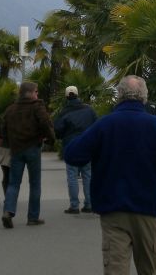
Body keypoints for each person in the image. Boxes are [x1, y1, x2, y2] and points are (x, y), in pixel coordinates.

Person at [65, 75, 156, 275]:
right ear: (144, 96)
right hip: (147, 209)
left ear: (119, 95)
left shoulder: (105, 124)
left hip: (113, 210)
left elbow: (73, 154)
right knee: (151, 270)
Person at [0, 81, 55, 229]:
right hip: (33, 148)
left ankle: (8, 211)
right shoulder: (37, 106)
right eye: (36, 92)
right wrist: (51, 139)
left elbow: (2, 129)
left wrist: (10, 142)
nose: (37, 94)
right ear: (30, 93)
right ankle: (32, 217)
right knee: (35, 183)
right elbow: (46, 123)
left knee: (13, 183)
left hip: (16, 150)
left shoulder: (10, 109)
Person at [54, 85, 98, 214]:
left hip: (71, 146)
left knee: (72, 176)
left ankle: (74, 206)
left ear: (66, 97)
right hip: (87, 145)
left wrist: (62, 137)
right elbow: (97, 125)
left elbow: (58, 130)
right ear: (78, 95)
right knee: (87, 175)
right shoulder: (89, 110)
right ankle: (89, 204)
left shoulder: (64, 112)